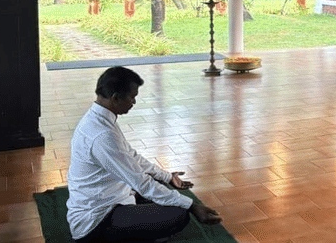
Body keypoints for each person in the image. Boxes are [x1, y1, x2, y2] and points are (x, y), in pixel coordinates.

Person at [67, 66, 221, 242]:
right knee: (179, 214)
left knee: (161, 184)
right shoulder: (102, 135)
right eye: (132, 97)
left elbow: (132, 157)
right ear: (115, 98)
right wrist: (193, 206)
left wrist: (167, 176)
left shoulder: (99, 118)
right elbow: (141, 183)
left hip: (112, 195)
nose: (134, 102)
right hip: (98, 220)